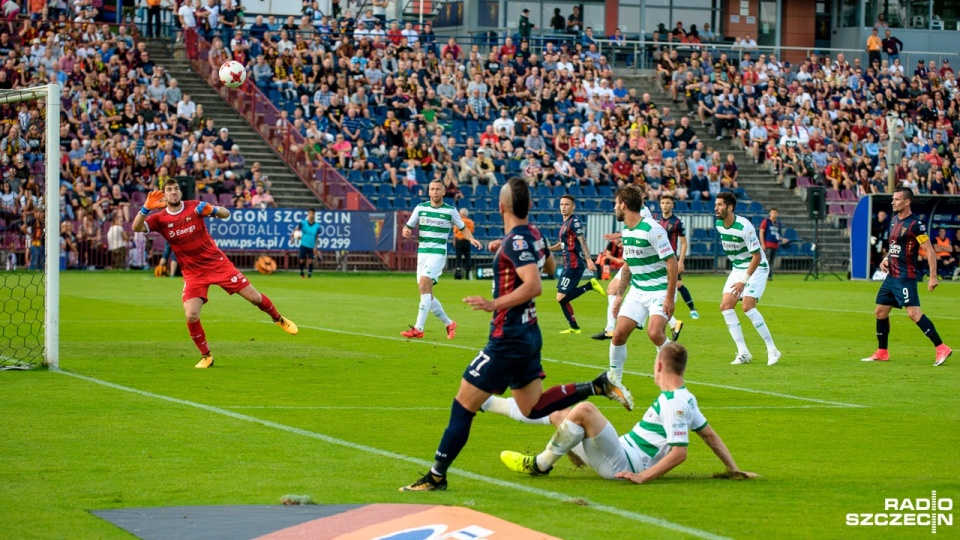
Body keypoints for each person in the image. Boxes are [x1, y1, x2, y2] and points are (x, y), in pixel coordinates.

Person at [400, 178, 634, 492]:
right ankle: (596, 385)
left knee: (463, 405)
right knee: (532, 407)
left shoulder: (517, 241)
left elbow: (536, 284)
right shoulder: (532, 235)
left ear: (501, 207)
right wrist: (508, 248)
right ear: (529, 206)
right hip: (528, 334)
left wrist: (494, 302)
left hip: (507, 339)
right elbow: (551, 266)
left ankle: (436, 476)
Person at [499, 343, 759, 483]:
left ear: (659, 365)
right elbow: (710, 436)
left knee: (586, 409)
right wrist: (734, 469)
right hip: (618, 451)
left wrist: (642, 476)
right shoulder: (685, 398)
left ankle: (539, 465)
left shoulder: (674, 403)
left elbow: (680, 453)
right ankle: (488, 404)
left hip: (624, 464)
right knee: (561, 414)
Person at [133, 179, 298, 368]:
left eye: (176, 189)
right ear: (164, 194)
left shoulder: (194, 207)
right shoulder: (160, 219)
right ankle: (206, 356)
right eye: (169, 190)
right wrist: (145, 208)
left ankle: (278, 318)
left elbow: (226, 214)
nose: (174, 192)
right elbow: (136, 228)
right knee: (191, 315)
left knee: (255, 298)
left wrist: (213, 209)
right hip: (194, 273)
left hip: (218, 265)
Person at [862, 189, 952, 366]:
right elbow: (895, 246)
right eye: (893, 199)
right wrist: (886, 259)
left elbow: (930, 252)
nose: (892, 202)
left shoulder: (915, 225)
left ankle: (941, 347)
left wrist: (933, 277)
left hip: (905, 276)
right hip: (891, 276)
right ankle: (882, 352)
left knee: (913, 313)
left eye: (896, 199)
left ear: (907, 202)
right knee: (880, 312)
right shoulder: (895, 219)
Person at [607, 186, 678, 405]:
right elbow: (628, 267)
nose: (615, 208)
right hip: (638, 290)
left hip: (659, 289)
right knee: (618, 334)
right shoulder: (627, 231)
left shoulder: (652, 229)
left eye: (616, 204)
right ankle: (614, 382)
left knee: (655, 333)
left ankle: (672, 378)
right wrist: (619, 296)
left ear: (623, 205)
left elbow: (672, 263)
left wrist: (669, 297)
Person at [400, 180, 483, 339]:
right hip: (422, 253)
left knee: (424, 284)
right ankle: (449, 323)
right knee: (426, 293)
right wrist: (405, 231)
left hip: (437, 253)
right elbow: (408, 226)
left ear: (444, 192)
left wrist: (471, 239)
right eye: (432, 189)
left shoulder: (450, 211)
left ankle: (419, 327)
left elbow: (463, 228)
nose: (435, 192)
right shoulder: (420, 208)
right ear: (429, 192)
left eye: (438, 189)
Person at [715, 193, 781, 366]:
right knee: (726, 306)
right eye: (716, 204)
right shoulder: (719, 225)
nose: (716, 208)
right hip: (738, 268)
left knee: (747, 306)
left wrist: (743, 281)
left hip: (757, 267)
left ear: (730, 208)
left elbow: (757, 256)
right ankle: (743, 352)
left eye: (720, 205)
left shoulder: (744, 226)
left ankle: (772, 349)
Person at [592, 205, 653, 341]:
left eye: (618, 202)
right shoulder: (629, 215)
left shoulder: (642, 211)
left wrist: (623, 237)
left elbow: (643, 232)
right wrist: (624, 239)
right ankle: (610, 328)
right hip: (631, 257)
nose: (615, 206)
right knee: (612, 289)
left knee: (646, 291)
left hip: (638, 260)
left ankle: (670, 322)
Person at [549, 195, 605, 334]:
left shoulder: (574, 222)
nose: (563, 207)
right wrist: (547, 249)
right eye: (561, 204)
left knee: (560, 298)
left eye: (567, 204)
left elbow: (582, 241)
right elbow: (561, 245)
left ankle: (589, 285)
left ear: (573, 206)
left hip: (574, 266)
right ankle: (574, 327)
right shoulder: (565, 224)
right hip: (568, 265)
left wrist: (589, 259)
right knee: (562, 298)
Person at [658, 195, 699, 342]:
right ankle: (673, 321)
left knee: (675, 285)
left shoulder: (677, 223)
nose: (665, 205)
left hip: (670, 259)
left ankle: (690, 311)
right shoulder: (656, 220)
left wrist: (680, 261)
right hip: (657, 259)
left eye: (668, 203)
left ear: (672, 205)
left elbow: (684, 243)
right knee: (665, 287)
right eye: (662, 203)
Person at [759, 208, 787, 281]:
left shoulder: (778, 223)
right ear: (770, 213)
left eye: (775, 213)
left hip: (775, 245)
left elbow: (777, 235)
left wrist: (782, 239)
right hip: (768, 244)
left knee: (771, 262)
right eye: (772, 213)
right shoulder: (766, 221)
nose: (774, 214)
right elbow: (761, 232)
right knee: (767, 261)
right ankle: (764, 275)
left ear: (777, 214)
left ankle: (769, 276)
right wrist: (763, 243)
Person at [292, 208, 320, 278]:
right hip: (303, 244)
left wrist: (316, 247)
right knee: (302, 260)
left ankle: (309, 275)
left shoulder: (317, 226)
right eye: (310, 213)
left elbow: (317, 236)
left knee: (310, 260)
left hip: (311, 245)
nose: (311, 215)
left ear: (314, 215)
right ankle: (301, 272)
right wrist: (293, 237)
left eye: (312, 213)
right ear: (308, 214)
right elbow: (296, 230)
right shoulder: (303, 223)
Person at [453, 207, 475, 280]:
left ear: (462, 214)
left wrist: (454, 241)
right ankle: (468, 275)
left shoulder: (459, 221)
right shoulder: (471, 222)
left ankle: (458, 274)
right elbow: (472, 232)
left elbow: (455, 233)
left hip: (459, 241)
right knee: (467, 258)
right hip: (467, 241)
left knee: (458, 258)